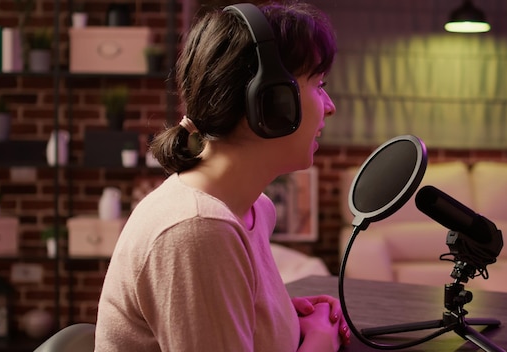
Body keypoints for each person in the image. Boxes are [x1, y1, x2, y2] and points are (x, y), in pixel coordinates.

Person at [94, 2, 350, 351]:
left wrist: (277, 316)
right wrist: (322, 337)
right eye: (318, 85)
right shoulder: (197, 229)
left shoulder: (251, 210)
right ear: (270, 102)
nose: (330, 105)